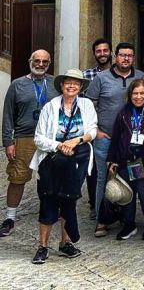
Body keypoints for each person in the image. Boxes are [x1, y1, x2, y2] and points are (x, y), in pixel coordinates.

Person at [29, 69, 97, 263]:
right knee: (49, 200)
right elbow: (38, 138)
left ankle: (65, 243)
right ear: (61, 85)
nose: (72, 86)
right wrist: (59, 145)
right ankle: (43, 246)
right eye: (68, 82)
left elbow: (92, 130)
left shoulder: (86, 105)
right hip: (52, 161)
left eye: (76, 83)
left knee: (69, 199)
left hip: (77, 161)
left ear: (81, 87)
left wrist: (76, 141)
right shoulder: (50, 107)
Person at [84, 42, 144, 237]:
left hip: (133, 143)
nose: (126, 58)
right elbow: (88, 105)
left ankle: (128, 219)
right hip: (106, 138)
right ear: (115, 56)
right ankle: (102, 220)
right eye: (122, 55)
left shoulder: (140, 76)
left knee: (132, 178)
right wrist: (95, 130)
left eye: (129, 55)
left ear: (133, 58)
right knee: (103, 179)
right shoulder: (101, 79)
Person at [1, 50, 58, 237]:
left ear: (49, 63)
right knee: (18, 177)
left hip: (49, 138)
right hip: (24, 137)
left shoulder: (55, 84)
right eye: (37, 61)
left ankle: (49, 214)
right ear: (30, 61)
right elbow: (8, 115)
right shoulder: (17, 85)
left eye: (44, 61)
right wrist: (8, 142)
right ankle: (10, 217)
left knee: (50, 178)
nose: (40, 64)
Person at [107, 79, 144, 241]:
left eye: (142, 93)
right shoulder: (123, 112)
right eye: (135, 93)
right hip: (126, 161)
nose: (138, 97)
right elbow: (116, 137)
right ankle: (129, 225)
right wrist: (113, 160)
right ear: (130, 95)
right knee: (128, 195)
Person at [83, 38, 113, 219]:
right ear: (94, 53)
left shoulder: (119, 74)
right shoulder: (86, 76)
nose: (102, 54)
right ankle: (96, 205)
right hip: (94, 131)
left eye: (105, 50)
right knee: (93, 170)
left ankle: (115, 204)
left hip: (115, 131)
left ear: (111, 53)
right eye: (98, 51)